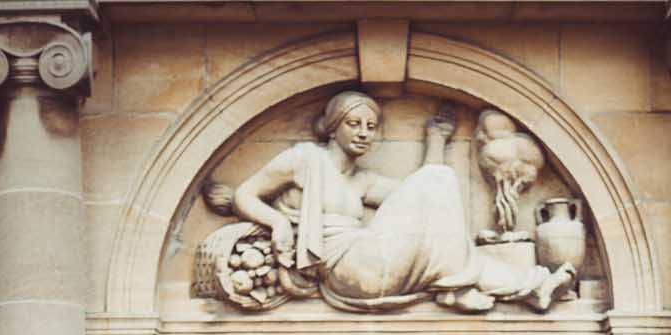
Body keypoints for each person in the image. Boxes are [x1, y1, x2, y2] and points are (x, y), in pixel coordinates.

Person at [230, 90, 573, 313]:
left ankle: (533, 286)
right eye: (354, 124)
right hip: (350, 271)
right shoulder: (304, 159)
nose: (364, 132)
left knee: (439, 208)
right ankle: (465, 286)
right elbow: (245, 193)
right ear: (333, 127)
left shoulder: (361, 182)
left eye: (371, 126)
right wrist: (276, 222)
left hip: (372, 259)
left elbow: (427, 200)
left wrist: (436, 139)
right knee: (438, 192)